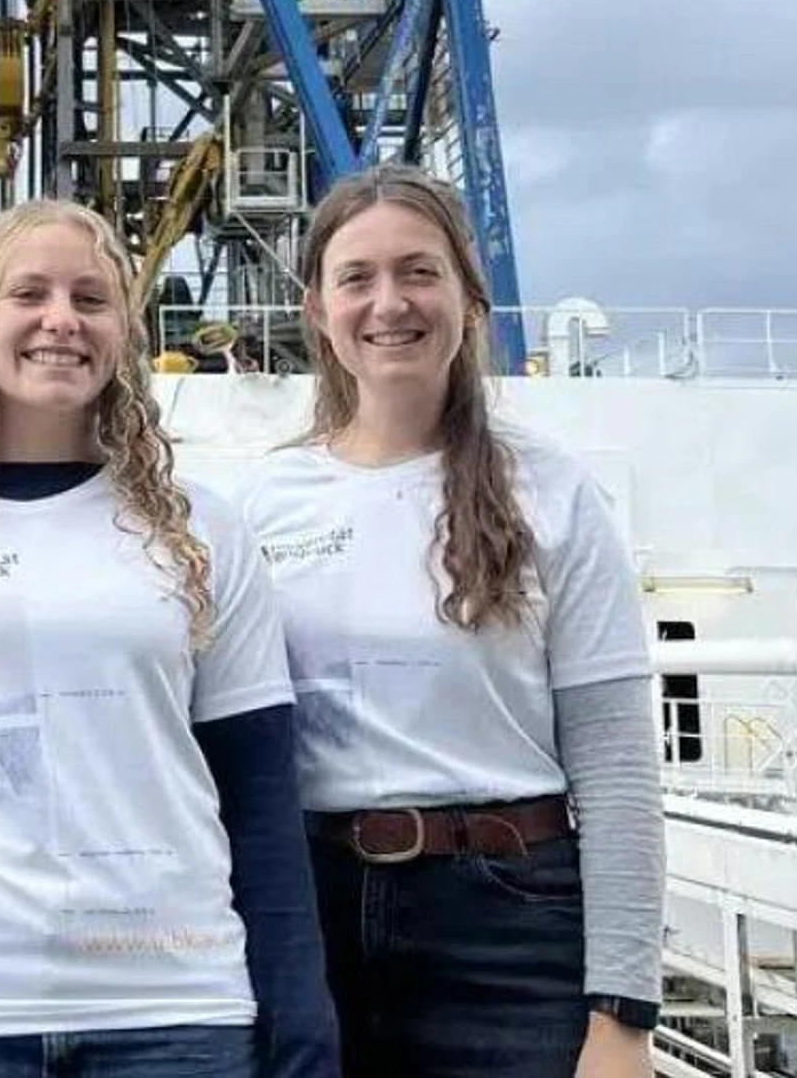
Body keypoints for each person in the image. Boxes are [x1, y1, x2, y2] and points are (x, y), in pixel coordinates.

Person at [0, 198, 337, 1078]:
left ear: (125, 326)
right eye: (28, 293)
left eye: (91, 298)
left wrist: (302, 1028)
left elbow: (263, 807)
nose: (60, 320)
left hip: (173, 1013)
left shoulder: (206, 532)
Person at [236, 166, 665, 1078]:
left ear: (469, 295)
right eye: (357, 277)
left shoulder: (551, 490)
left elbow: (618, 765)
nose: (389, 302)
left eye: (418, 271)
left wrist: (623, 1016)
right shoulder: (264, 502)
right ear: (317, 308)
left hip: (509, 925)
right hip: (313, 919)